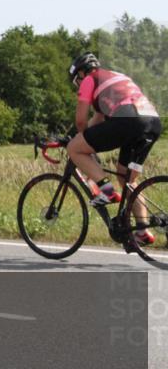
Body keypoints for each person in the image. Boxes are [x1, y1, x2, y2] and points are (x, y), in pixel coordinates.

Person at [66, 53, 162, 245]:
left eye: (77, 79)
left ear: (83, 72)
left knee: (74, 149)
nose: (78, 83)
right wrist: (84, 137)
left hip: (128, 121)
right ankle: (142, 230)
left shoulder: (89, 79)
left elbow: (81, 120)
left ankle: (106, 190)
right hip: (152, 123)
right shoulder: (116, 77)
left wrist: (78, 140)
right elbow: (99, 119)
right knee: (127, 178)